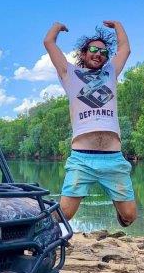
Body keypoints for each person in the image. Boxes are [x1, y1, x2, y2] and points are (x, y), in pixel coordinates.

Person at [44, 20, 137, 227]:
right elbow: (49, 43)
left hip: (113, 158)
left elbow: (125, 49)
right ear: (84, 53)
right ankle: (37, 232)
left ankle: (116, 200)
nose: (98, 54)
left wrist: (119, 25)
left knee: (129, 217)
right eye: (94, 50)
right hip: (82, 159)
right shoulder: (69, 74)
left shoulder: (110, 72)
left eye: (103, 52)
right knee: (65, 214)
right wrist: (57, 27)